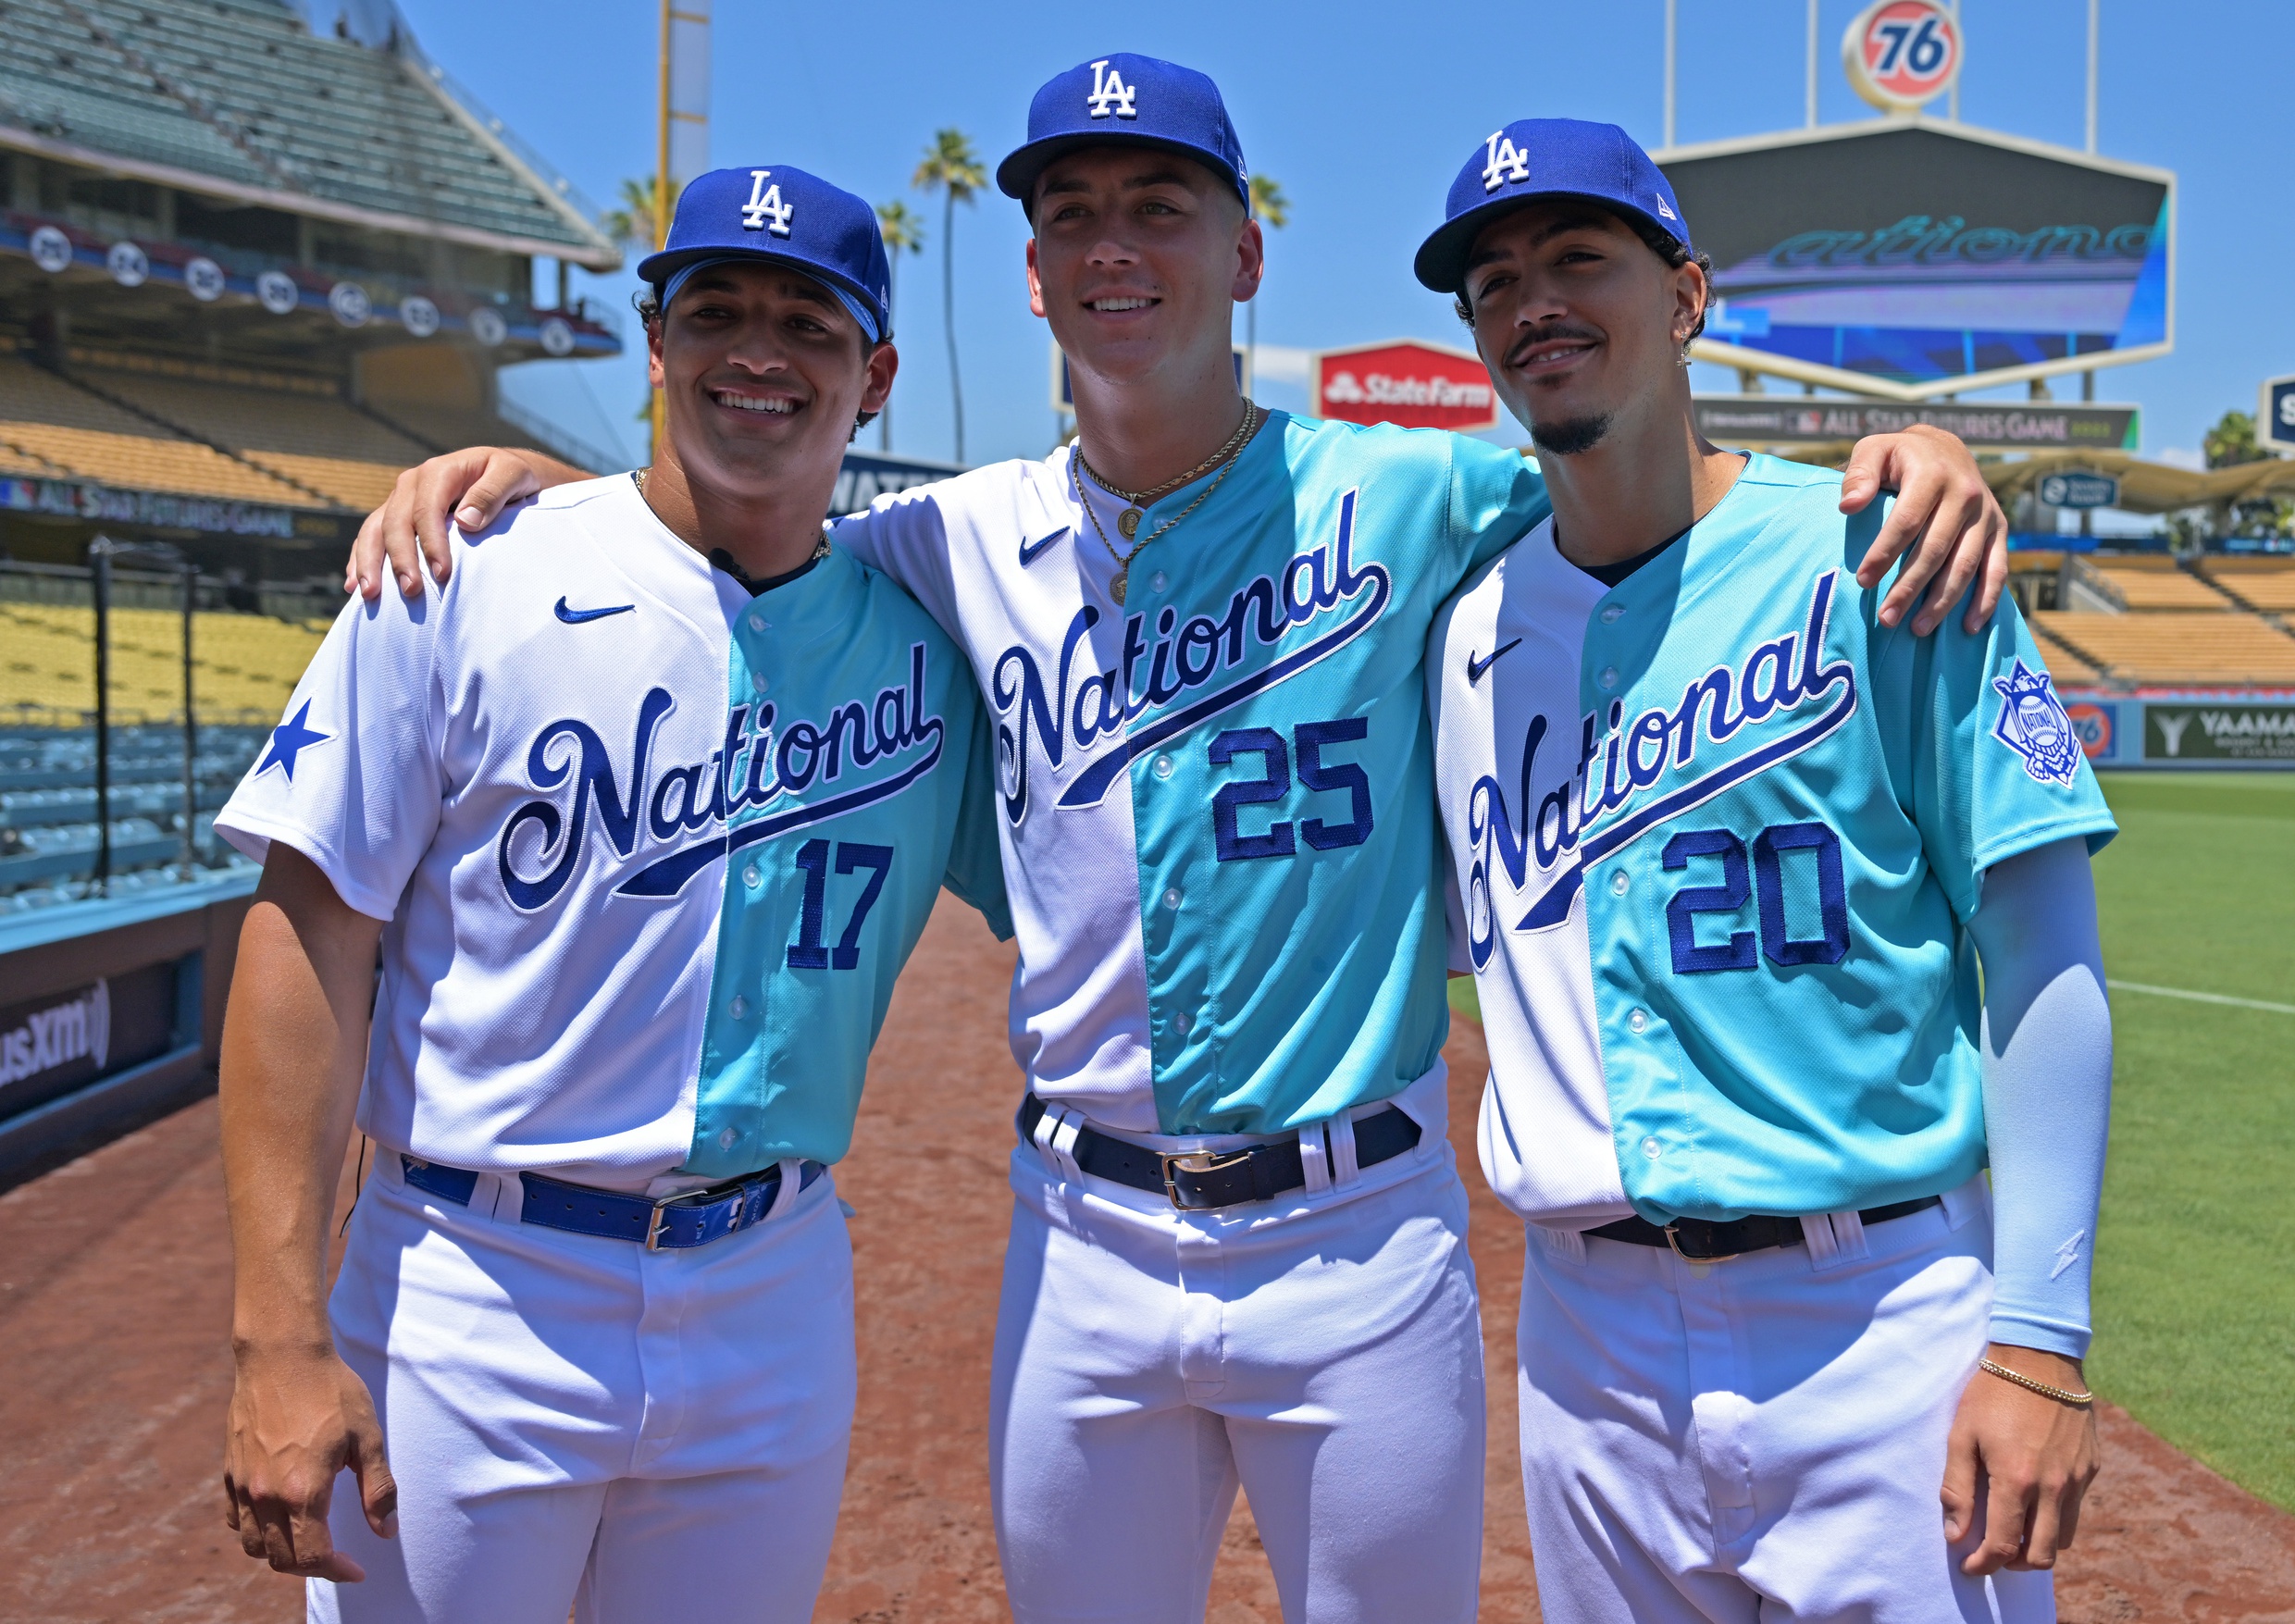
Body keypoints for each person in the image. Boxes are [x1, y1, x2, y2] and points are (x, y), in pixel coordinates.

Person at [345, 57, 2013, 1624]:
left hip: (1358, 1229)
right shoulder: (944, 544)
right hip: (1082, 1238)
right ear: (1030, 272)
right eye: (1071, 212)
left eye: (1159, 206)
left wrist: (1911, 461)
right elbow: (728, 510)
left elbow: (1662, 486)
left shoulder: (1422, 499)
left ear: (1245, 251)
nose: (1112, 244)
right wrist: (538, 487)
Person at [214, 164, 1009, 1624]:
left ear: (877, 375)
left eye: (808, 324)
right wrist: (274, 1336)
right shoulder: (462, 575)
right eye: (714, 311)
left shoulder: (927, 650)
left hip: (769, 1291)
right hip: (471, 1286)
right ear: (656, 348)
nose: (756, 351)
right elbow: (307, 932)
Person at [1417, 118, 2115, 1621]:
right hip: (1587, 1342)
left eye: (1579, 257)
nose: (1533, 298)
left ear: (1686, 299)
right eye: (1495, 280)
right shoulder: (1462, 633)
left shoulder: (1884, 551)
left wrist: (2040, 1337)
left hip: (1879, 1322)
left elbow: (2043, 942)